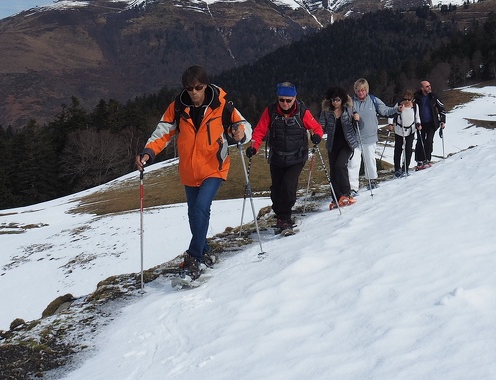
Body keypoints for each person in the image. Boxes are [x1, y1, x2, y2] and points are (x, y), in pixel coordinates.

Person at [136, 65, 251, 280]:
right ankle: (204, 249)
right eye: (190, 88)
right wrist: (148, 152)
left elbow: (243, 126)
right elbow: (163, 132)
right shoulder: (178, 107)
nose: (194, 92)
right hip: (189, 171)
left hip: (214, 167)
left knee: (200, 208)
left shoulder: (223, 105)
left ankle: (194, 255)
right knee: (193, 214)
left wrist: (240, 133)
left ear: (206, 85)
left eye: (198, 87)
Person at [246, 82, 325, 233]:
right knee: (276, 189)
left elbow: (317, 127)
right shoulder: (270, 111)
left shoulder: (302, 111)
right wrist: (253, 147)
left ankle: (286, 218)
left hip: (297, 156)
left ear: (294, 98)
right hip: (276, 156)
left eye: (288, 100)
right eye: (282, 100)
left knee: (288, 186)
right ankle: (280, 215)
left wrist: (317, 136)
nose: (285, 103)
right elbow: (259, 131)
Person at [347, 78, 400, 194]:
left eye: (362, 90)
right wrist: (353, 116)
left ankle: (372, 181)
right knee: (353, 163)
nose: (360, 93)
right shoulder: (350, 102)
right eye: (358, 90)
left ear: (366, 90)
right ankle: (353, 188)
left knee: (370, 160)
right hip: (355, 138)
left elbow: (385, 110)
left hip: (370, 137)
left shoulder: (373, 100)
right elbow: (346, 116)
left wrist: (397, 109)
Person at [317, 86, 360, 208]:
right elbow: (321, 125)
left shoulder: (349, 109)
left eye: (337, 100)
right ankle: (336, 197)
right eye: (332, 100)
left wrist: (357, 118)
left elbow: (358, 124)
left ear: (342, 100)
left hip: (347, 143)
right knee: (333, 171)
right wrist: (316, 133)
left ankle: (346, 194)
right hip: (332, 144)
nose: (335, 102)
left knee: (340, 165)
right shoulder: (326, 112)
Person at [414, 79, 446, 170]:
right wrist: (416, 122)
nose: (429, 87)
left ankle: (427, 159)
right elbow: (413, 110)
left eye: (429, 85)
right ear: (422, 88)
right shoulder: (416, 98)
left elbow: (442, 109)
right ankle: (419, 160)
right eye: (427, 86)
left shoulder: (433, 97)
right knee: (420, 141)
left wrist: (442, 120)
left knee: (429, 141)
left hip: (432, 123)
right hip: (420, 123)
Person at [392, 90, 417, 177]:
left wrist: (419, 124)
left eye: (409, 99)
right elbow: (392, 113)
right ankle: (397, 168)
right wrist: (390, 124)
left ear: (412, 99)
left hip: (411, 130)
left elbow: (417, 117)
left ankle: (405, 168)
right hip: (399, 130)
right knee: (398, 149)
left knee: (408, 149)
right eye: (405, 99)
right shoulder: (399, 105)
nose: (407, 101)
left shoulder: (415, 106)